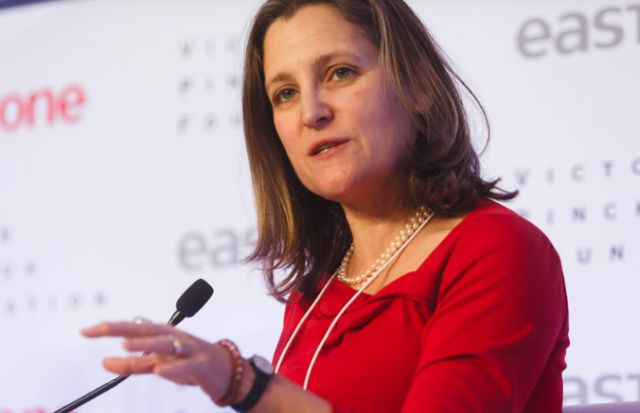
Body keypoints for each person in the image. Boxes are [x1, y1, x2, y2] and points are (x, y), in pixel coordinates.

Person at [81, 0, 569, 412]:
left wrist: (244, 384)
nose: (312, 112)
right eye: (285, 94)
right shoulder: (319, 290)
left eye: (340, 73)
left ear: (418, 85)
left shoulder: (497, 249)